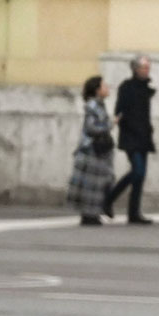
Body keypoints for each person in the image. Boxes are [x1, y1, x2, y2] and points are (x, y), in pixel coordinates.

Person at [104, 55, 155, 225]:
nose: (147, 70)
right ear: (135, 69)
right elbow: (120, 111)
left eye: (148, 67)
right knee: (137, 171)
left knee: (140, 176)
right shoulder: (127, 87)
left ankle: (134, 212)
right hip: (131, 136)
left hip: (144, 136)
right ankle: (109, 198)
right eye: (144, 67)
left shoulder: (145, 87)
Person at [66, 75, 115, 226]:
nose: (107, 88)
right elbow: (91, 127)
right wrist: (110, 125)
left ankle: (93, 213)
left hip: (96, 150)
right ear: (97, 90)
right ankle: (89, 215)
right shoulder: (93, 105)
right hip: (92, 150)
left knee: (96, 183)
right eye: (104, 86)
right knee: (91, 184)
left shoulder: (98, 105)